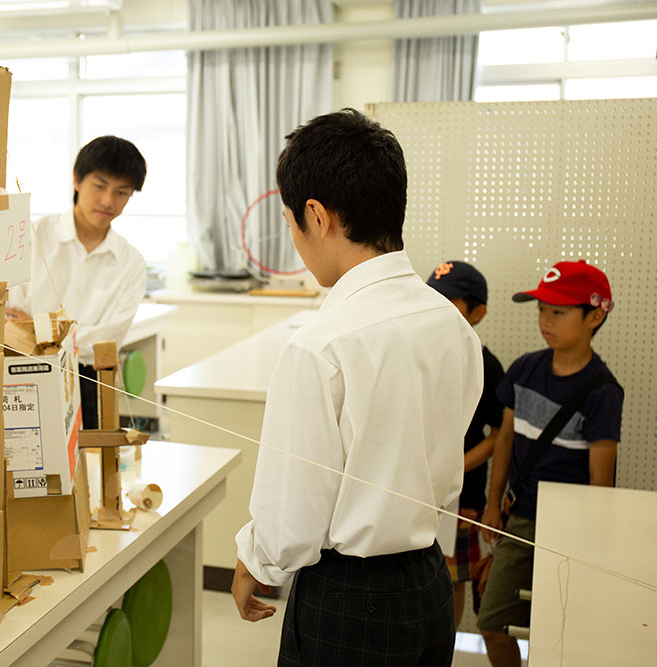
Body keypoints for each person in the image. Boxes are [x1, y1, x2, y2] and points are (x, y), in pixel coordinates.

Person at [232, 109, 483, 666]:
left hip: (351, 600)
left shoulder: (319, 346)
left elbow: (292, 515)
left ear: (317, 216)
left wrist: (255, 561)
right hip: (429, 585)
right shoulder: (451, 324)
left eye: (291, 223)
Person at [477, 260, 623, 667]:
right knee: (492, 623)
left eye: (558, 311)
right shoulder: (525, 368)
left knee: (561, 635)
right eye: (541, 309)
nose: (545, 320)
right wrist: (493, 503)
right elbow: (505, 439)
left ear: (594, 316)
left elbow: (601, 480)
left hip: (572, 532)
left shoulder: (602, 391)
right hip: (519, 520)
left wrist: (592, 542)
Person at [7, 135, 147, 430]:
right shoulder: (31, 237)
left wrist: (36, 330)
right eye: (99, 186)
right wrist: (67, 336)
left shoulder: (130, 263)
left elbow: (107, 342)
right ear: (76, 180)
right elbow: (9, 321)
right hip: (22, 376)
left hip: (88, 382)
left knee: (89, 458)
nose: (108, 201)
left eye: (122, 192)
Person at [425, 260, 506, 627]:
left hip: (463, 493)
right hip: (417, 487)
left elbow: (500, 435)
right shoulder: (420, 353)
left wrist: (454, 465)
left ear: (478, 312)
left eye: (449, 302)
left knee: (452, 578)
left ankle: (447, 646)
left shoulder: (487, 365)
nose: (436, 308)